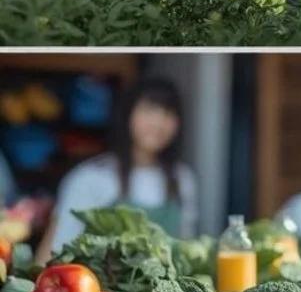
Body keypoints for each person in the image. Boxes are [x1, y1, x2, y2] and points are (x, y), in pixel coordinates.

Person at [46, 79, 198, 255]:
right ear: (127, 114)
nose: (159, 122)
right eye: (149, 110)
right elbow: (55, 250)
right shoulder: (90, 177)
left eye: (168, 113)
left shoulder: (183, 179)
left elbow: (186, 250)